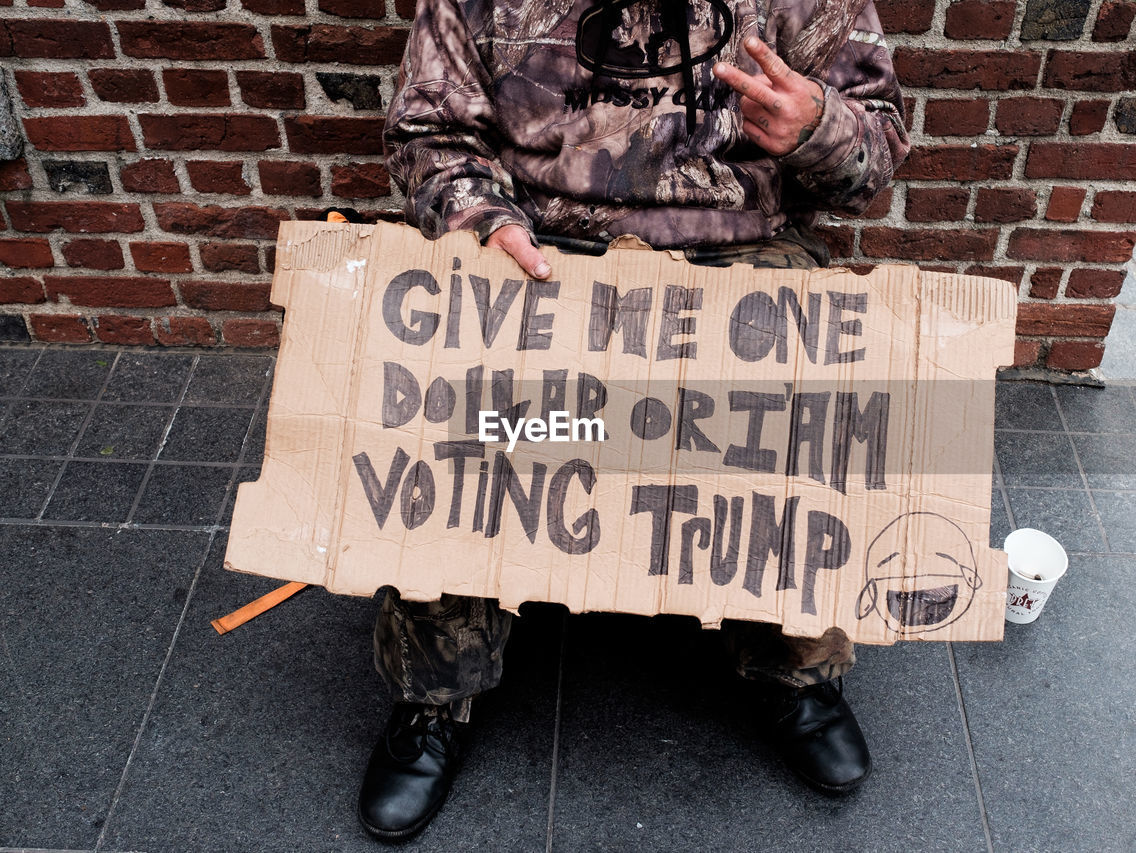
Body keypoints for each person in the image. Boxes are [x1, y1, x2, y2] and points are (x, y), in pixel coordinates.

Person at [361, 0, 910, 840]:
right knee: (455, 428)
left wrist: (817, 127)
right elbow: (428, 130)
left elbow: (873, 153)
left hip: (736, 256)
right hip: (544, 256)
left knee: (812, 426)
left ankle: (790, 667)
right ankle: (439, 691)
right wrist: (479, 216)